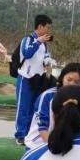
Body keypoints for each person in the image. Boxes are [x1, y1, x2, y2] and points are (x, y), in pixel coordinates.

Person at [23, 62, 80, 151]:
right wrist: (55, 148)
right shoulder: (47, 97)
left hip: (61, 146)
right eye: (69, 79)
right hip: (37, 146)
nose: (72, 84)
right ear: (62, 78)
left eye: (76, 82)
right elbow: (42, 128)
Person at [14, 14, 53, 143]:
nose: (49, 30)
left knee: (34, 108)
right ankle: (20, 135)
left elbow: (45, 57)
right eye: (47, 27)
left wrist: (49, 61)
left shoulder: (45, 44)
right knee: (23, 108)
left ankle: (28, 136)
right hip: (25, 78)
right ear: (40, 26)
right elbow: (27, 53)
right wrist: (38, 42)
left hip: (38, 81)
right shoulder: (28, 39)